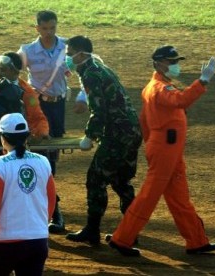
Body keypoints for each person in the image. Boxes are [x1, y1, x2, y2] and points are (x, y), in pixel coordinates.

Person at [106, 46, 215, 256]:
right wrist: (202, 81)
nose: (175, 65)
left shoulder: (158, 86)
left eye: (176, 61)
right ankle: (121, 239)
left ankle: (197, 241)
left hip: (168, 149)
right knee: (149, 196)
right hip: (165, 148)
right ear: (158, 63)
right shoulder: (160, 88)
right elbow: (181, 100)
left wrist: (151, 145)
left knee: (179, 196)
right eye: (171, 61)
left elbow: (144, 121)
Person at [63, 36, 142, 246]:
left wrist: (89, 136)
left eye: (70, 54)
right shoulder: (99, 67)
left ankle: (92, 230)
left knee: (96, 179)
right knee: (120, 181)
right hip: (131, 131)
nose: (68, 58)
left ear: (81, 54)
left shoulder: (91, 73)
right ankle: (131, 231)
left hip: (117, 134)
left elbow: (99, 111)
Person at [0, 52, 64, 234]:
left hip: (22, 142)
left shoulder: (27, 92)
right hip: (0, 141)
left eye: (2, 69)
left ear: (14, 70)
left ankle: (56, 216)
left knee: (37, 178)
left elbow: (37, 116)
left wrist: (43, 134)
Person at [0, 113, 56, 276]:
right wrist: (38, 225)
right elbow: (51, 200)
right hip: (37, 241)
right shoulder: (43, 162)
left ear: (3, 138)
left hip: (4, 243)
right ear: (26, 137)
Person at [18, 10, 70, 233]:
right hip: (36, 107)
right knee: (36, 155)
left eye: (53, 28)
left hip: (58, 106)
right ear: (37, 28)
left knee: (51, 159)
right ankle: (46, 209)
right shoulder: (27, 51)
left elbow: (85, 67)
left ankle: (51, 209)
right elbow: (11, 72)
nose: (49, 33)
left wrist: (82, 96)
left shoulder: (67, 47)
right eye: (45, 28)